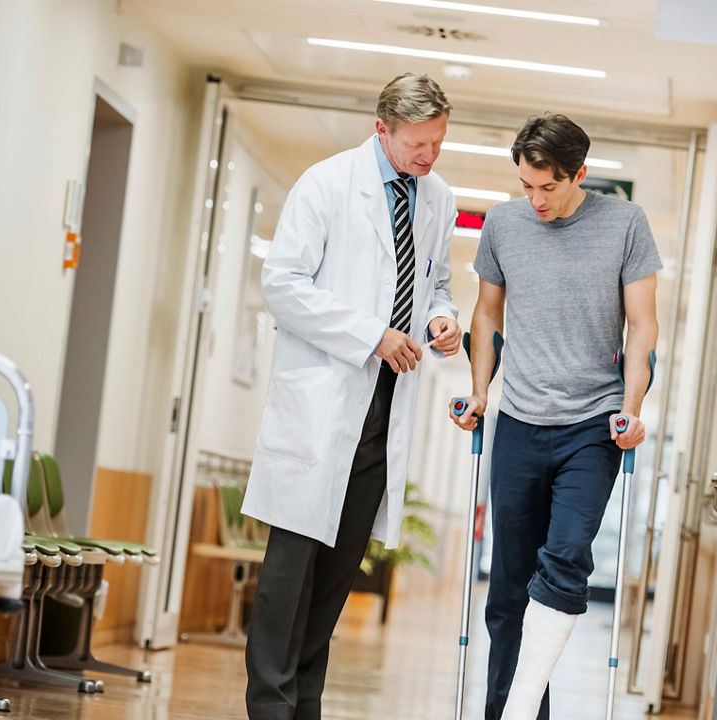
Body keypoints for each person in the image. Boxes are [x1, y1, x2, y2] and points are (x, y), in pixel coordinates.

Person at [241, 72, 462, 720]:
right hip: (323, 404)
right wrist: (372, 336)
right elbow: (282, 284)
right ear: (381, 129)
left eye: (438, 143)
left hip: (384, 409)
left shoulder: (439, 198)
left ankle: (304, 706)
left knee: (336, 579)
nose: (428, 156)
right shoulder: (328, 184)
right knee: (289, 576)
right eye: (418, 144)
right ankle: (270, 708)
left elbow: (437, 281)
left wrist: (441, 319)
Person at [450, 113, 661, 720]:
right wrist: (480, 392)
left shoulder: (625, 223)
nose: (536, 199)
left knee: (566, 555)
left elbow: (644, 324)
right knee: (508, 592)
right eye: (527, 186)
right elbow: (487, 315)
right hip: (518, 419)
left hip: (592, 424)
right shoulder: (503, 222)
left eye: (549, 186)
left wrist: (632, 407)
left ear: (580, 175)